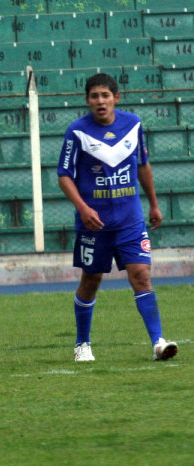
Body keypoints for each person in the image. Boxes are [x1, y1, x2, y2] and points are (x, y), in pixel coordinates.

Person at [57, 72, 178, 362]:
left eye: (105, 95)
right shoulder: (77, 131)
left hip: (130, 220)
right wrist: (83, 208)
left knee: (141, 275)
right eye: (95, 96)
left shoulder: (133, 124)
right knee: (91, 280)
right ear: (87, 100)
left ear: (116, 98)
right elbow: (64, 175)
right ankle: (82, 344)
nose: (100, 101)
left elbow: (143, 166)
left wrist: (154, 204)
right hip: (95, 224)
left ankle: (158, 342)